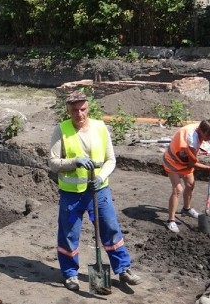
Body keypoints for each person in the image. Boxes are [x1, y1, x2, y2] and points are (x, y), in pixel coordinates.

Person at [49, 90, 141, 292]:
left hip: (98, 190)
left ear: (88, 108)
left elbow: (111, 159)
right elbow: (53, 162)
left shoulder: (100, 128)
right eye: (74, 110)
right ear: (68, 110)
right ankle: (70, 274)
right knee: (68, 234)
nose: (79, 114)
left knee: (110, 227)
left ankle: (123, 269)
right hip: (71, 194)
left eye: (82, 109)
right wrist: (74, 162)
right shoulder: (61, 130)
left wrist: (101, 177)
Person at [162, 119, 210, 234]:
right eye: (209, 136)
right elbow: (192, 163)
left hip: (183, 159)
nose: (209, 139)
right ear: (203, 132)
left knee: (190, 185)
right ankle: (171, 220)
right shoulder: (191, 140)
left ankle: (186, 209)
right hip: (173, 161)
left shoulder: (201, 127)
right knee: (178, 189)